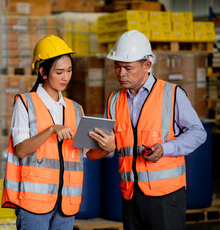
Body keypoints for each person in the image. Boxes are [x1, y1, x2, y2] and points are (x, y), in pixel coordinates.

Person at [87, 30, 207, 230]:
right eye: (117, 67)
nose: (121, 73)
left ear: (147, 65)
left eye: (128, 68)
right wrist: (106, 147)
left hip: (166, 197)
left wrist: (166, 148)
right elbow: (113, 147)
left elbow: (198, 132)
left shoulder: (171, 94)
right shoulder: (114, 100)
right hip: (130, 194)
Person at [1, 35, 87, 230]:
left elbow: (86, 153)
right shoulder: (25, 103)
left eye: (69, 70)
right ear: (43, 72)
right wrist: (50, 130)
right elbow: (21, 149)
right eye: (59, 72)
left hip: (66, 203)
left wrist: (107, 146)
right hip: (34, 204)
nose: (66, 77)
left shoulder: (76, 109)